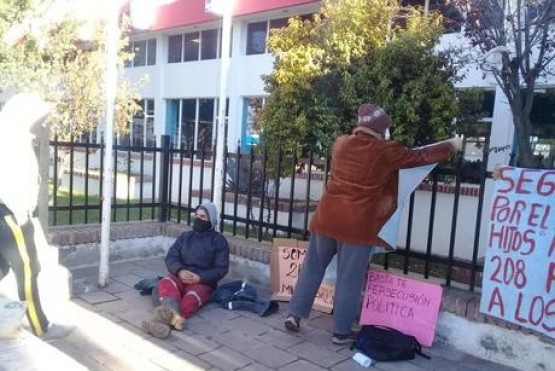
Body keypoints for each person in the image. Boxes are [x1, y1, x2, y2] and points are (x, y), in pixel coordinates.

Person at [284, 103, 462, 344]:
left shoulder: (340, 143)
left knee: (312, 268)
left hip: (326, 218)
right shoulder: (385, 151)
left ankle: (294, 316)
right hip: (356, 227)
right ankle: (341, 332)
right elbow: (420, 157)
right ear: (382, 129)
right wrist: (450, 146)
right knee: (349, 279)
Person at [0, 93, 71, 340]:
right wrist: (21, 215)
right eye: (38, 119)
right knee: (27, 270)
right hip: (11, 214)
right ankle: (40, 327)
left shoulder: (13, 136)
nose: (41, 124)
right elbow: (9, 183)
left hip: (12, 213)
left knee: (4, 267)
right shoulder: (10, 141)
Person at [142, 202, 230, 339]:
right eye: (196, 215)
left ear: (211, 220)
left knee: (190, 300)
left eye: (203, 216)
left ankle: (158, 324)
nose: (198, 219)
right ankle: (173, 321)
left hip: (202, 282)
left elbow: (221, 269)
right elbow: (171, 257)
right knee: (166, 283)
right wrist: (180, 271)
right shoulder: (185, 237)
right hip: (180, 276)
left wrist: (200, 277)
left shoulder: (219, 241)